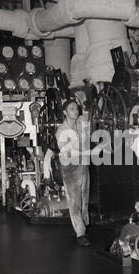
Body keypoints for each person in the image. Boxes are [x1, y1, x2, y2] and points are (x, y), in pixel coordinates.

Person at [56, 100, 91, 247]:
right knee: (75, 201)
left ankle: (83, 225)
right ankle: (80, 233)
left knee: (84, 199)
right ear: (65, 112)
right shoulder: (62, 131)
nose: (76, 111)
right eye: (72, 109)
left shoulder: (80, 122)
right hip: (70, 167)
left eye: (77, 108)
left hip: (83, 164)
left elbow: (90, 114)